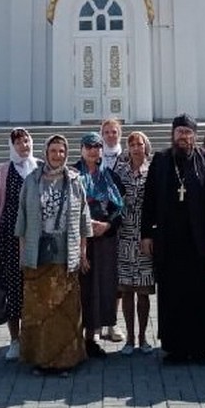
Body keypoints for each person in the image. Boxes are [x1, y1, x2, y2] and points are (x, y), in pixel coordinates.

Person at [140, 113, 205, 364]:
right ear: (173, 134)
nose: (183, 137)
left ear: (194, 135)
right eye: (179, 132)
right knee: (172, 295)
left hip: (199, 241)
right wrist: (146, 233)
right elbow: (149, 200)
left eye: (188, 133)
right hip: (169, 240)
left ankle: (201, 347)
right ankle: (174, 348)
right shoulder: (161, 160)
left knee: (201, 294)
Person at [15, 134, 92, 375]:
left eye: (61, 151)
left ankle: (65, 361)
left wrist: (83, 254)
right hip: (37, 253)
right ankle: (41, 359)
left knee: (65, 310)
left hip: (65, 253)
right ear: (46, 153)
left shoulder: (74, 181)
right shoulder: (32, 180)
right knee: (39, 309)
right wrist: (23, 254)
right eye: (53, 151)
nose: (57, 155)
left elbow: (83, 221)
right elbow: (22, 219)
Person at [0, 127, 38, 360]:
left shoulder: (39, 168)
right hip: (9, 239)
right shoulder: (3, 170)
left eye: (26, 141)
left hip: (35, 238)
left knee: (33, 287)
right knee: (12, 289)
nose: (23, 146)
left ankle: (33, 337)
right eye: (18, 143)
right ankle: (14, 339)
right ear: (12, 146)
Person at [75, 131, 125, 358]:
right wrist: (86, 225)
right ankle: (79, 337)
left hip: (104, 241)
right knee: (82, 288)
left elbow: (120, 208)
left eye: (97, 146)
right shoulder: (73, 174)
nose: (93, 150)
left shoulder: (109, 176)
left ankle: (94, 336)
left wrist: (107, 226)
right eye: (89, 146)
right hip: (80, 241)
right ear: (81, 149)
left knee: (102, 286)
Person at [114, 131, 155, 355]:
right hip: (125, 235)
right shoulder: (119, 170)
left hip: (144, 236)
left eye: (139, 144)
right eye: (131, 144)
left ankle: (143, 337)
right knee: (127, 289)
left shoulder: (153, 170)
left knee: (144, 290)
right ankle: (129, 338)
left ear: (145, 146)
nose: (136, 147)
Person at [99, 117, 125, 343]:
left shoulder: (126, 159)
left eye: (114, 132)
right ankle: (96, 323)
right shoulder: (94, 158)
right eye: (106, 132)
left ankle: (112, 323)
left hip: (121, 225)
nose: (110, 135)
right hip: (98, 227)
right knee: (99, 274)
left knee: (117, 276)